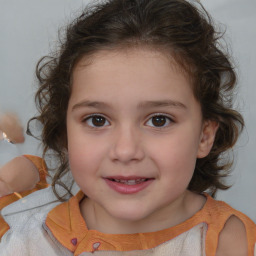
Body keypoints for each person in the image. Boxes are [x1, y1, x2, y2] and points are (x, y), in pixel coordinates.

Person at [0, 0, 255, 255]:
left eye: (159, 120)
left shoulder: (234, 244)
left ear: (204, 136)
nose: (125, 150)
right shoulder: (22, 242)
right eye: (97, 120)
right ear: (66, 133)